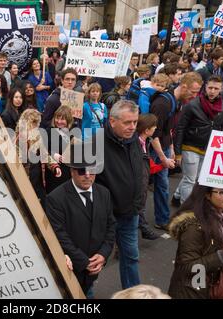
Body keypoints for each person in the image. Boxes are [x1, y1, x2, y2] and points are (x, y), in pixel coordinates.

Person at [45, 142, 116, 296]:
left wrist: (103, 254)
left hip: (93, 271)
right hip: (69, 272)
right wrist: (85, 262)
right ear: (72, 171)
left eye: (92, 170)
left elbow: (111, 226)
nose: (88, 175)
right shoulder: (55, 199)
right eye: (82, 171)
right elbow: (59, 236)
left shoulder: (104, 193)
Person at [95, 100, 144, 289]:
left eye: (135, 122)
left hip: (130, 213)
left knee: (131, 257)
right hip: (105, 217)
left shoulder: (134, 140)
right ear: (113, 121)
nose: (132, 127)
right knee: (95, 261)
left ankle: (132, 293)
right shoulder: (96, 143)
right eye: (127, 122)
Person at [168, 184, 223, 299]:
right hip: (193, 291)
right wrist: (221, 257)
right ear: (207, 194)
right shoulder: (194, 226)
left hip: (216, 288)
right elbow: (186, 268)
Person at [149, 72, 203, 230]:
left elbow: (169, 129)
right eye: (193, 92)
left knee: (162, 185)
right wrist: (163, 157)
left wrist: (171, 148)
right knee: (145, 188)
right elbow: (153, 134)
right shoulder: (163, 104)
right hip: (154, 150)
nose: (194, 96)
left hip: (164, 148)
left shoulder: (176, 102)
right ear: (184, 86)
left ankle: (162, 219)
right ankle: (144, 221)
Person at [172, 75, 223, 206]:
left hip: (209, 147)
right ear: (205, 87)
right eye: (210, 87)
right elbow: (180, 128)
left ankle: (177, 196)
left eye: (216, 88)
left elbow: (221, 127)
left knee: (195, 178)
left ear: (221, 89)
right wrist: (178, 152)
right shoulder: (192, 104)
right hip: (190, 147)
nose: (212, 91)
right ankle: (187, 210)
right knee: (190, 180)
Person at [136, 114, 164, 240]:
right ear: (147, 130)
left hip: (142, 182)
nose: (156, 128)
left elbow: (149, 167)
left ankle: (143, 227)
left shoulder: (144, 142)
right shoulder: (137, 144)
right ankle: (144, 227)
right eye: (154, 127)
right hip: (137, 183)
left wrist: (163, 165)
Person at [44, 105, 74, 194]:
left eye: (63, 119)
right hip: (53, 173)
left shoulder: (72, 133)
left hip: (67, 173)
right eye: (57, 118)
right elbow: (41, 151)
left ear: (68, 120)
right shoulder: (49, 131)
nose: (59, 121)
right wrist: (53, 154)